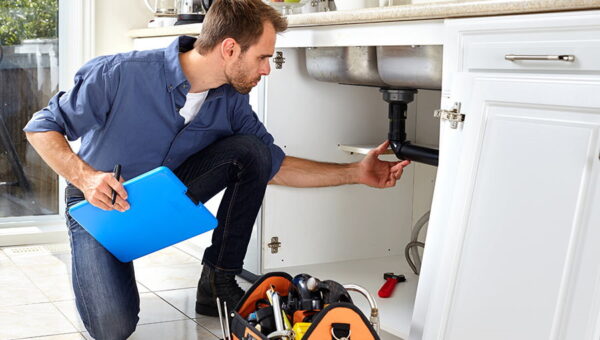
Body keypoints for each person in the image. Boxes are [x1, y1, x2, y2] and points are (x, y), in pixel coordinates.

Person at [24, 0, 411, 338]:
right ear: (229, 49)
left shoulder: (231, 104)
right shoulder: (118, 73)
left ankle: (218, 282)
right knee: (113, 328)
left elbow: (273, 166)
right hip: (103, 204)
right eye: (262, 57)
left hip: (165, 195)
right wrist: (87, 178)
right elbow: (40, 127)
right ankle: (110, 255)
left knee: (252, 151)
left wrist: (355, 172)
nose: (267, 69)